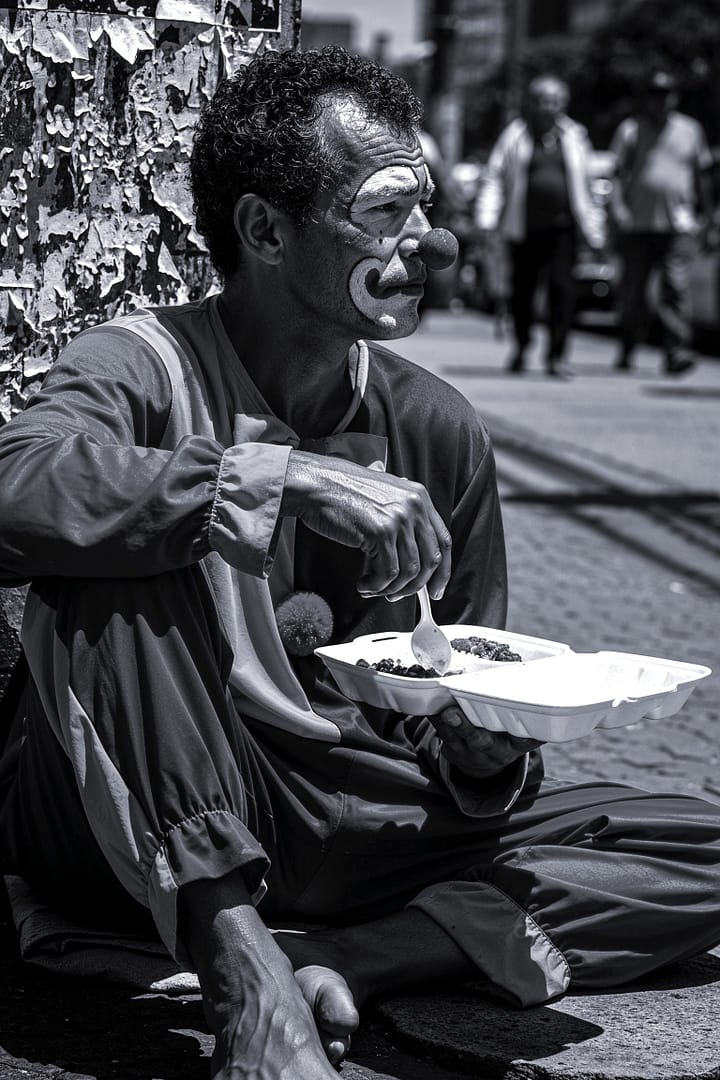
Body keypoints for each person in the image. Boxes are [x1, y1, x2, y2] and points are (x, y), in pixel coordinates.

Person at [0, 46, 719, 1080]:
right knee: (116, 563)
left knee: (696, 843)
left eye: (425, 206)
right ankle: (240, 967)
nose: (432, 242)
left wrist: (485, 757)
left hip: (349, 833)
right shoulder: (138, 365)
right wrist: (269, 481)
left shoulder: (436, 422)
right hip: (145, 815)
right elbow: (16, 489)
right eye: (386, 212)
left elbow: (464, 676)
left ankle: (346, 962)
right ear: (264, 230)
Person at [475, 74, 605, 376]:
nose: (549, 107)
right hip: (524, 229)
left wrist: (596, 230)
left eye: (555, 100)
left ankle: (556, 355)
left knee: (562, 290)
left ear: (564, 103)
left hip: (563, 229)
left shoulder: (575, 136)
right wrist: (486, 218)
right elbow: (494, 177)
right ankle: (521, 348)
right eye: (543, 100)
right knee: (523, 292)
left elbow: (589, 184)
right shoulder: (516, 136)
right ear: (531, 104)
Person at [609, 70, 715, 375]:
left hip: (677, 223)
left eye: (666, 94)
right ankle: (628, 344)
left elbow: (702, 175)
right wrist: (617, 207)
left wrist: (707, 215)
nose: (660, 100)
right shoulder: (631, 130)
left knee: (675, 288)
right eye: (654, 94)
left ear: (674, 97)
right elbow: (617, 174)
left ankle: (676, 351)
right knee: (634, 292)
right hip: (638, 224)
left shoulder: (690, 130)